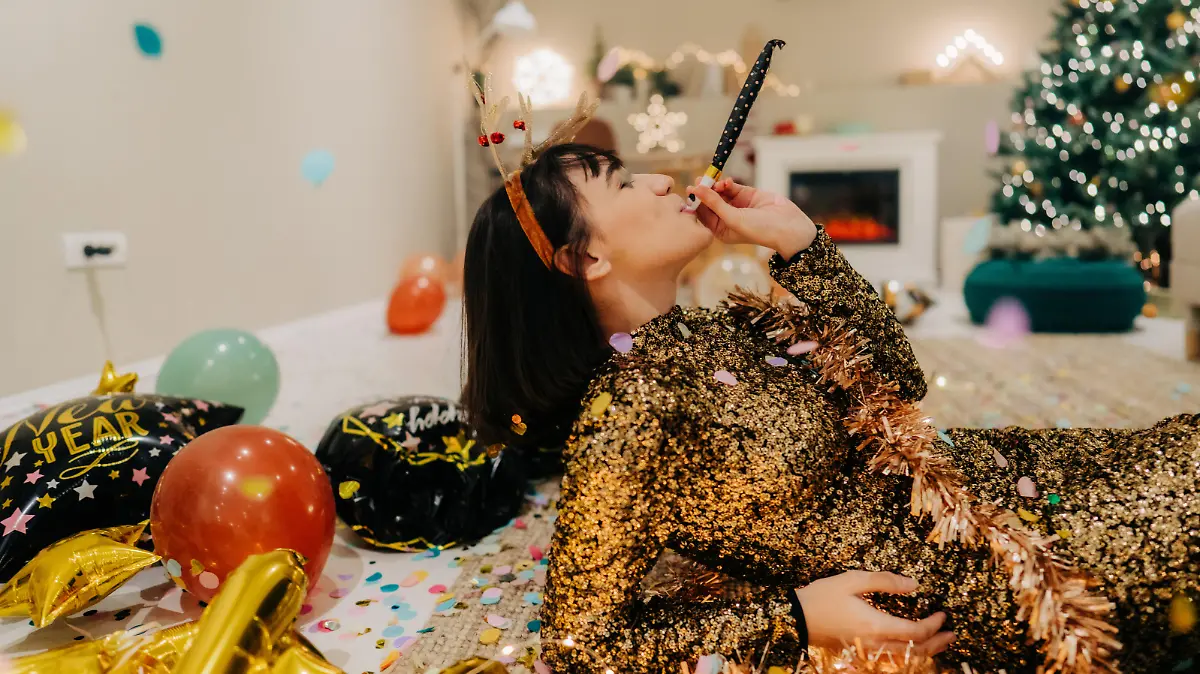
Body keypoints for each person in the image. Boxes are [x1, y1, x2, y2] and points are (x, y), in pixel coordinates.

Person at [460, 140, 1200, 673]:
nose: (660, 180)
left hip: (995, 482)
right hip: (983, 572)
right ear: (584, 259)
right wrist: (801, 617)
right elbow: (581, 643)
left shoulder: (723, 327)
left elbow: (897, 381)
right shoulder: (625, 415)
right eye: (619, 183)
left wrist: (802, 243)